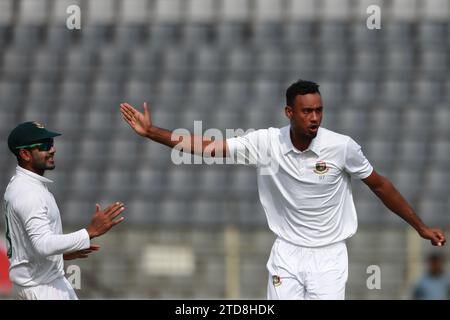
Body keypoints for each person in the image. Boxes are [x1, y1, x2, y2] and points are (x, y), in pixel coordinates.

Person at [120, 79, 446, 300]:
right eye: (307, 111)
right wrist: (152, 133)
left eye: (319, 110)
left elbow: (380, 185)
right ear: (289, 112)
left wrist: (420, 227)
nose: (315, 117)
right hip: (286, 252)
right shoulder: (266, 143)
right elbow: (207, 146)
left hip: (329, 254)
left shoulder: (341, 147)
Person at [3, 121, 126, 300]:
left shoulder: (25, 185)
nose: (52, 150)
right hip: (42, 288)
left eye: (51, 143)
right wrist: (90, 232)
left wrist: (60, 254)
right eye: (44, 146)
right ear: (25, 154)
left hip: (45, 283)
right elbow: (43, 244)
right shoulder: (27, 193)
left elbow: (28, 244)